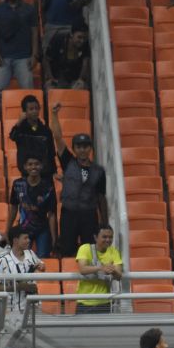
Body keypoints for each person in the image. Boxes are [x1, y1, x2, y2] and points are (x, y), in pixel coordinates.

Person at [50, 104, 107, 254]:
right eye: (79, 147)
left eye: (86, 146)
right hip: (69, 214)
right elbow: (57, 137)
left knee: (90, 251)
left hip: (89, 215)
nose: (82, 149)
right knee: (67, 250)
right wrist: (54, 115)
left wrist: (105, 223)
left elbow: (101, 198)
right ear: (74, 149)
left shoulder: (99, 171)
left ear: (91, 148)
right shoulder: (68, 162)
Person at [0, 0, 38, 91]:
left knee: (28, 92)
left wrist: (34, 55)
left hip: (24, 57)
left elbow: (34, 33)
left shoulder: (30, 9)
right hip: (3, 58)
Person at [0, 226, 44, 314]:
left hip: (33, 307)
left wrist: (41, 266)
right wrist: (19, 287)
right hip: (13, 310)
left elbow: (42, 266)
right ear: (15, 240)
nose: (29, 240)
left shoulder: (31, 253)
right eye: (25, 238)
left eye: (28, 238)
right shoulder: (3, 261)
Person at [75, 224, 123, 314]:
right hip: (84, 303)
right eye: (104, 237)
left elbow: (119, 275)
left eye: (110, 237)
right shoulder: (85, 248)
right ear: (95, 237)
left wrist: (113, 271)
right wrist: (101, 267)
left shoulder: (114, 251)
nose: (108, 240)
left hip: (105, 303)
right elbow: (82, 269)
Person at [8, 95, 55, 176]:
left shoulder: (45, 130)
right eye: (31, 109)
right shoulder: (21, 129)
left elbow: (51, 152)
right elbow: (12, 136)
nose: (35, 111)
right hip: (26, 173)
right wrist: (19, 122)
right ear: (24, 112)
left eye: (36, 108)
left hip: (44, 173)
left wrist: (54, 171)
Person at [44, 21, 89, 90]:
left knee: (82, 87)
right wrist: (50, 78)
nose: (82, 41)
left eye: (84, 38)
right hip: (57, 76)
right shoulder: (58, 38)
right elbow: (46, 60)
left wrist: (81, 79)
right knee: (50, 88)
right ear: (71, 34)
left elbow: (85, 64)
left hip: (74, 78)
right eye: (79, 37)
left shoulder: (85, 44)